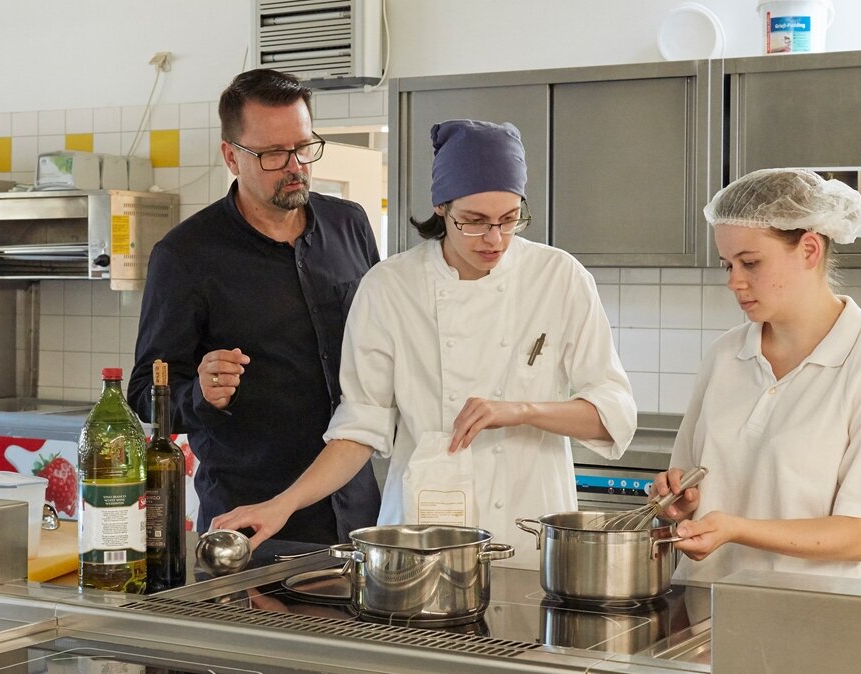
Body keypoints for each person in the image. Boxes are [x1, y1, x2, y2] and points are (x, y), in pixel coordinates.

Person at [213, 119, 637, 568]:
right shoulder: (390, 287)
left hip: (529, 535)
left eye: (509, 219)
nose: (494, 239)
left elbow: (613, 413)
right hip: (421, 539)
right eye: (473, 222)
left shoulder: (559, 277)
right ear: (441, 207)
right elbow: (360, 425)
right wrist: (284, 504)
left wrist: (519, 410)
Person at [128, 69, 381, 549]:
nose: (295, 165)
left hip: (359, 511)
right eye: (272, 154)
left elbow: (383, 346)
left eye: (305, 147)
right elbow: (145, 393)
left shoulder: (350, 225)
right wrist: (200, 394)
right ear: (231, 156)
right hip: (249, 522)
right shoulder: (185, 256)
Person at [651, 167, 861, 584]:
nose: (734, 282)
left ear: (809, 250)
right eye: (727, 265)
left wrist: (737, 529)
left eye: (751, 263)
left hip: (810, 617)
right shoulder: (725, 355)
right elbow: (689, 477)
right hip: (705, 610)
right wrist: (678, 501)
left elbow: (858, 535)